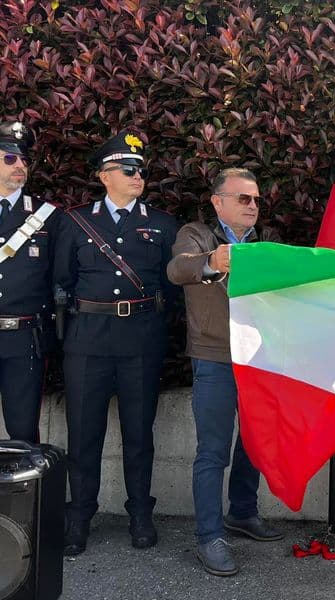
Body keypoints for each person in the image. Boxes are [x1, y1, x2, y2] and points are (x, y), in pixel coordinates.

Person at [54, 130, 177, 555]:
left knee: (139, 434)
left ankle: (140, 513)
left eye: (141, 169)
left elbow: (171, 287)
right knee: (83, 434)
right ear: (104, 176)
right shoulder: (75, 222)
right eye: (128, 169)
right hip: (87, 341)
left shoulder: (162, 224)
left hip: (141, 341)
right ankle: (79, 516)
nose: (137, 175)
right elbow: (62, 281)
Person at [167, 167, 283, 577]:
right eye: (243, 199)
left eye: (256, 199)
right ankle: (209, 536)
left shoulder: (268, 242)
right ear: (218, 202)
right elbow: (178, 270)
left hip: (257, 358)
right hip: (214, 358)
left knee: (253, 442)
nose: (253, 206)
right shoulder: (197, 235)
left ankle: (243, 514)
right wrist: (211, 262)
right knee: (213, 451)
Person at [0, 121, 60, 442]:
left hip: (23, 339)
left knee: (23, 434)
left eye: (23, 159)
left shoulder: (46, 216)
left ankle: (24, 494)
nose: (20, 166)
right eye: (10, 159)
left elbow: (60, 278)